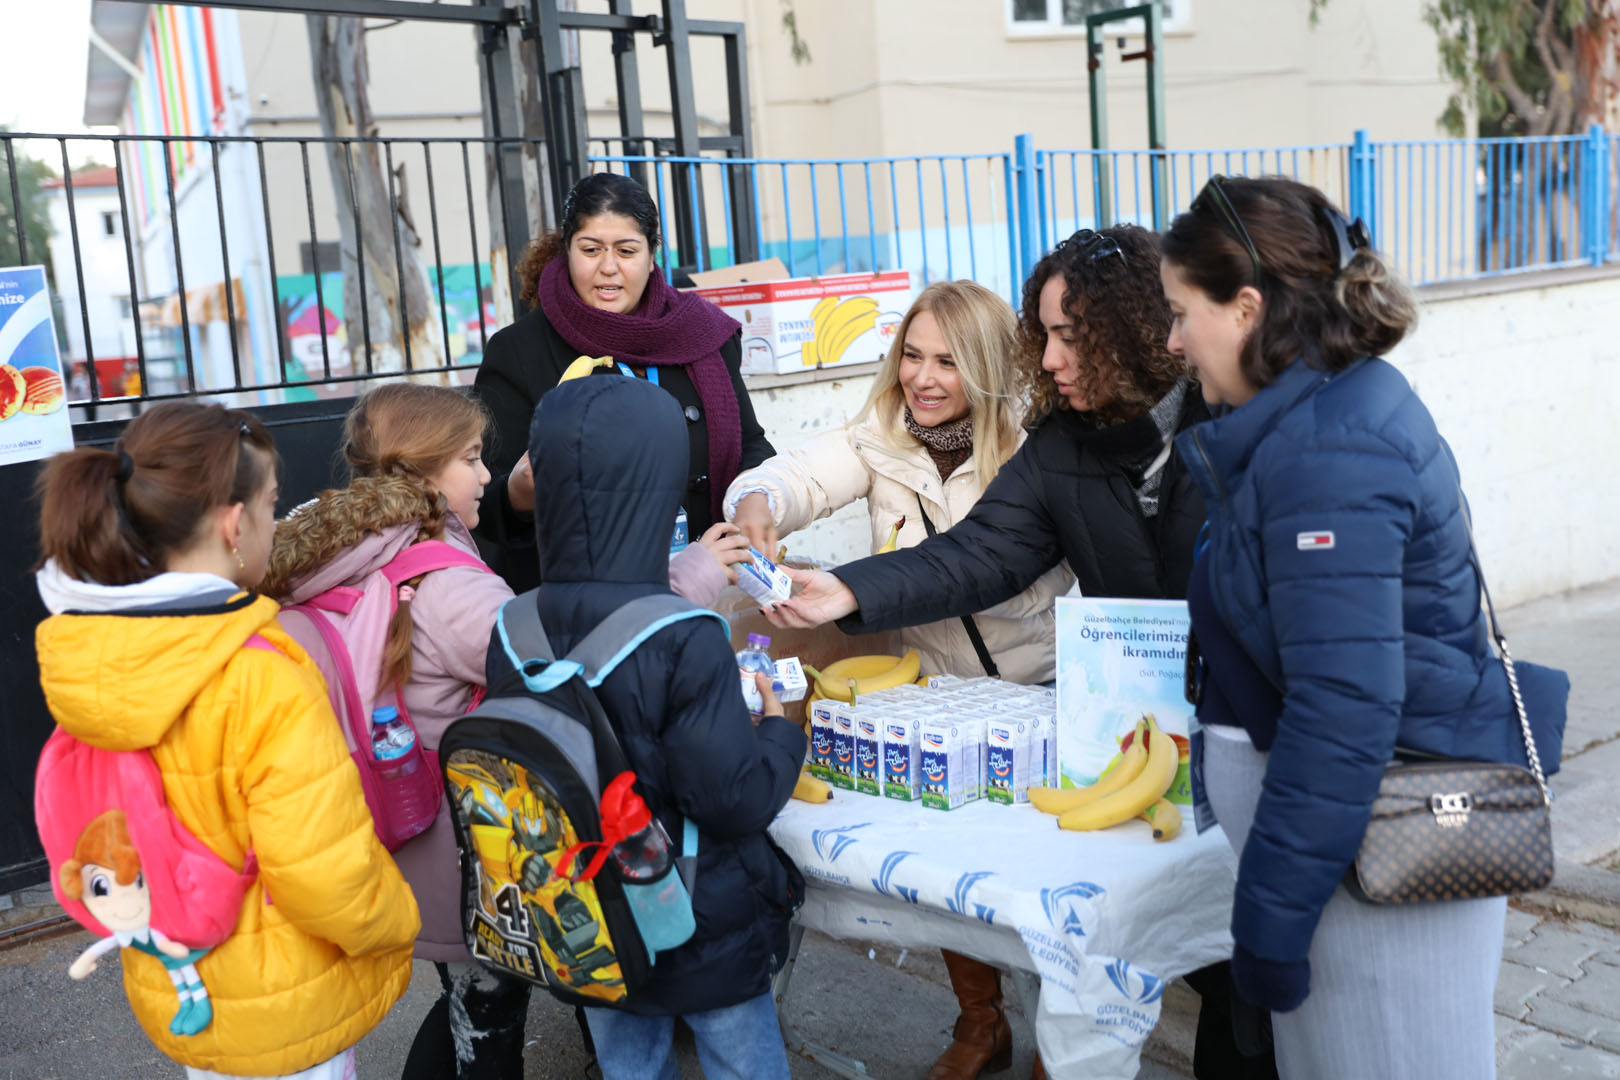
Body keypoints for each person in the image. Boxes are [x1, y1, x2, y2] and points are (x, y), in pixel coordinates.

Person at [763, 226, 1275, 1080]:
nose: (1047, 357)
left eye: (1070, 335)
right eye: (1044, 333)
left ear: (1134, 331)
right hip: (1144, 734)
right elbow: (980, 553)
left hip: (1254, 732)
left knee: (1254, 972)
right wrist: (846, 592)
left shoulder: (1234, 421)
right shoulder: (1061, 446)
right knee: (1208, 961)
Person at [1162, 175, 1566, 1080]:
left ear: (1247, 309)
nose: (1174, 341)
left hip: (1373, 868)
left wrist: (1270, 921)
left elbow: (1343, 707)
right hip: (1345, 863)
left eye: (1183, 313)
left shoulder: (1329, 451)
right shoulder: (1314, 420)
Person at [33, 401, 419, 1080]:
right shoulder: (262, 674)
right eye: (272, 503)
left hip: (183, 984)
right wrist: (396, 922)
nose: (276, 518)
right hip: (285, 1002)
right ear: (235, 525)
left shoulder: (99, 656)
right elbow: (324, 877)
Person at [521, 373, 806, 1080]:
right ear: (659, 490)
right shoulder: (683, 633)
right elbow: (734, 800)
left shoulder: (512, 623)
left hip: (583, 908)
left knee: (629, 1067)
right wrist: (779, 731)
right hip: (695, 915)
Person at [258, 383, 529, 1079]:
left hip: (387, 821)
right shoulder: (450, 582)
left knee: (464, 1005)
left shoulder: (343, 544)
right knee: (488, 1023)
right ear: (426, 466)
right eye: (471, 457)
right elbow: (552, 662)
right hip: (463, 849)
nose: (486, 476)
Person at [726, 280, 1073, 686]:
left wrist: (867, 590)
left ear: (988, 368)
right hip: (918, 694)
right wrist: (758, 499)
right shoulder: (878, 437)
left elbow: (1032, 588)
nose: (921, 379)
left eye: (947, 362)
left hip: (1030, 687)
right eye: (912, 356)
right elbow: (803, 477)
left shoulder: (1033, 451)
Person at [471, 170, 774, 595]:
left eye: (626, 251)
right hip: (582, 602)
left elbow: (751, 443)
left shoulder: (704, 334)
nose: (608, 268)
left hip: (707, 586)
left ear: (651, 257)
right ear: (567, 250)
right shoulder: (519, 351)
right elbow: (482, 502)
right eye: (590, 249)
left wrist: (755, 495)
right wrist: (520, 492)